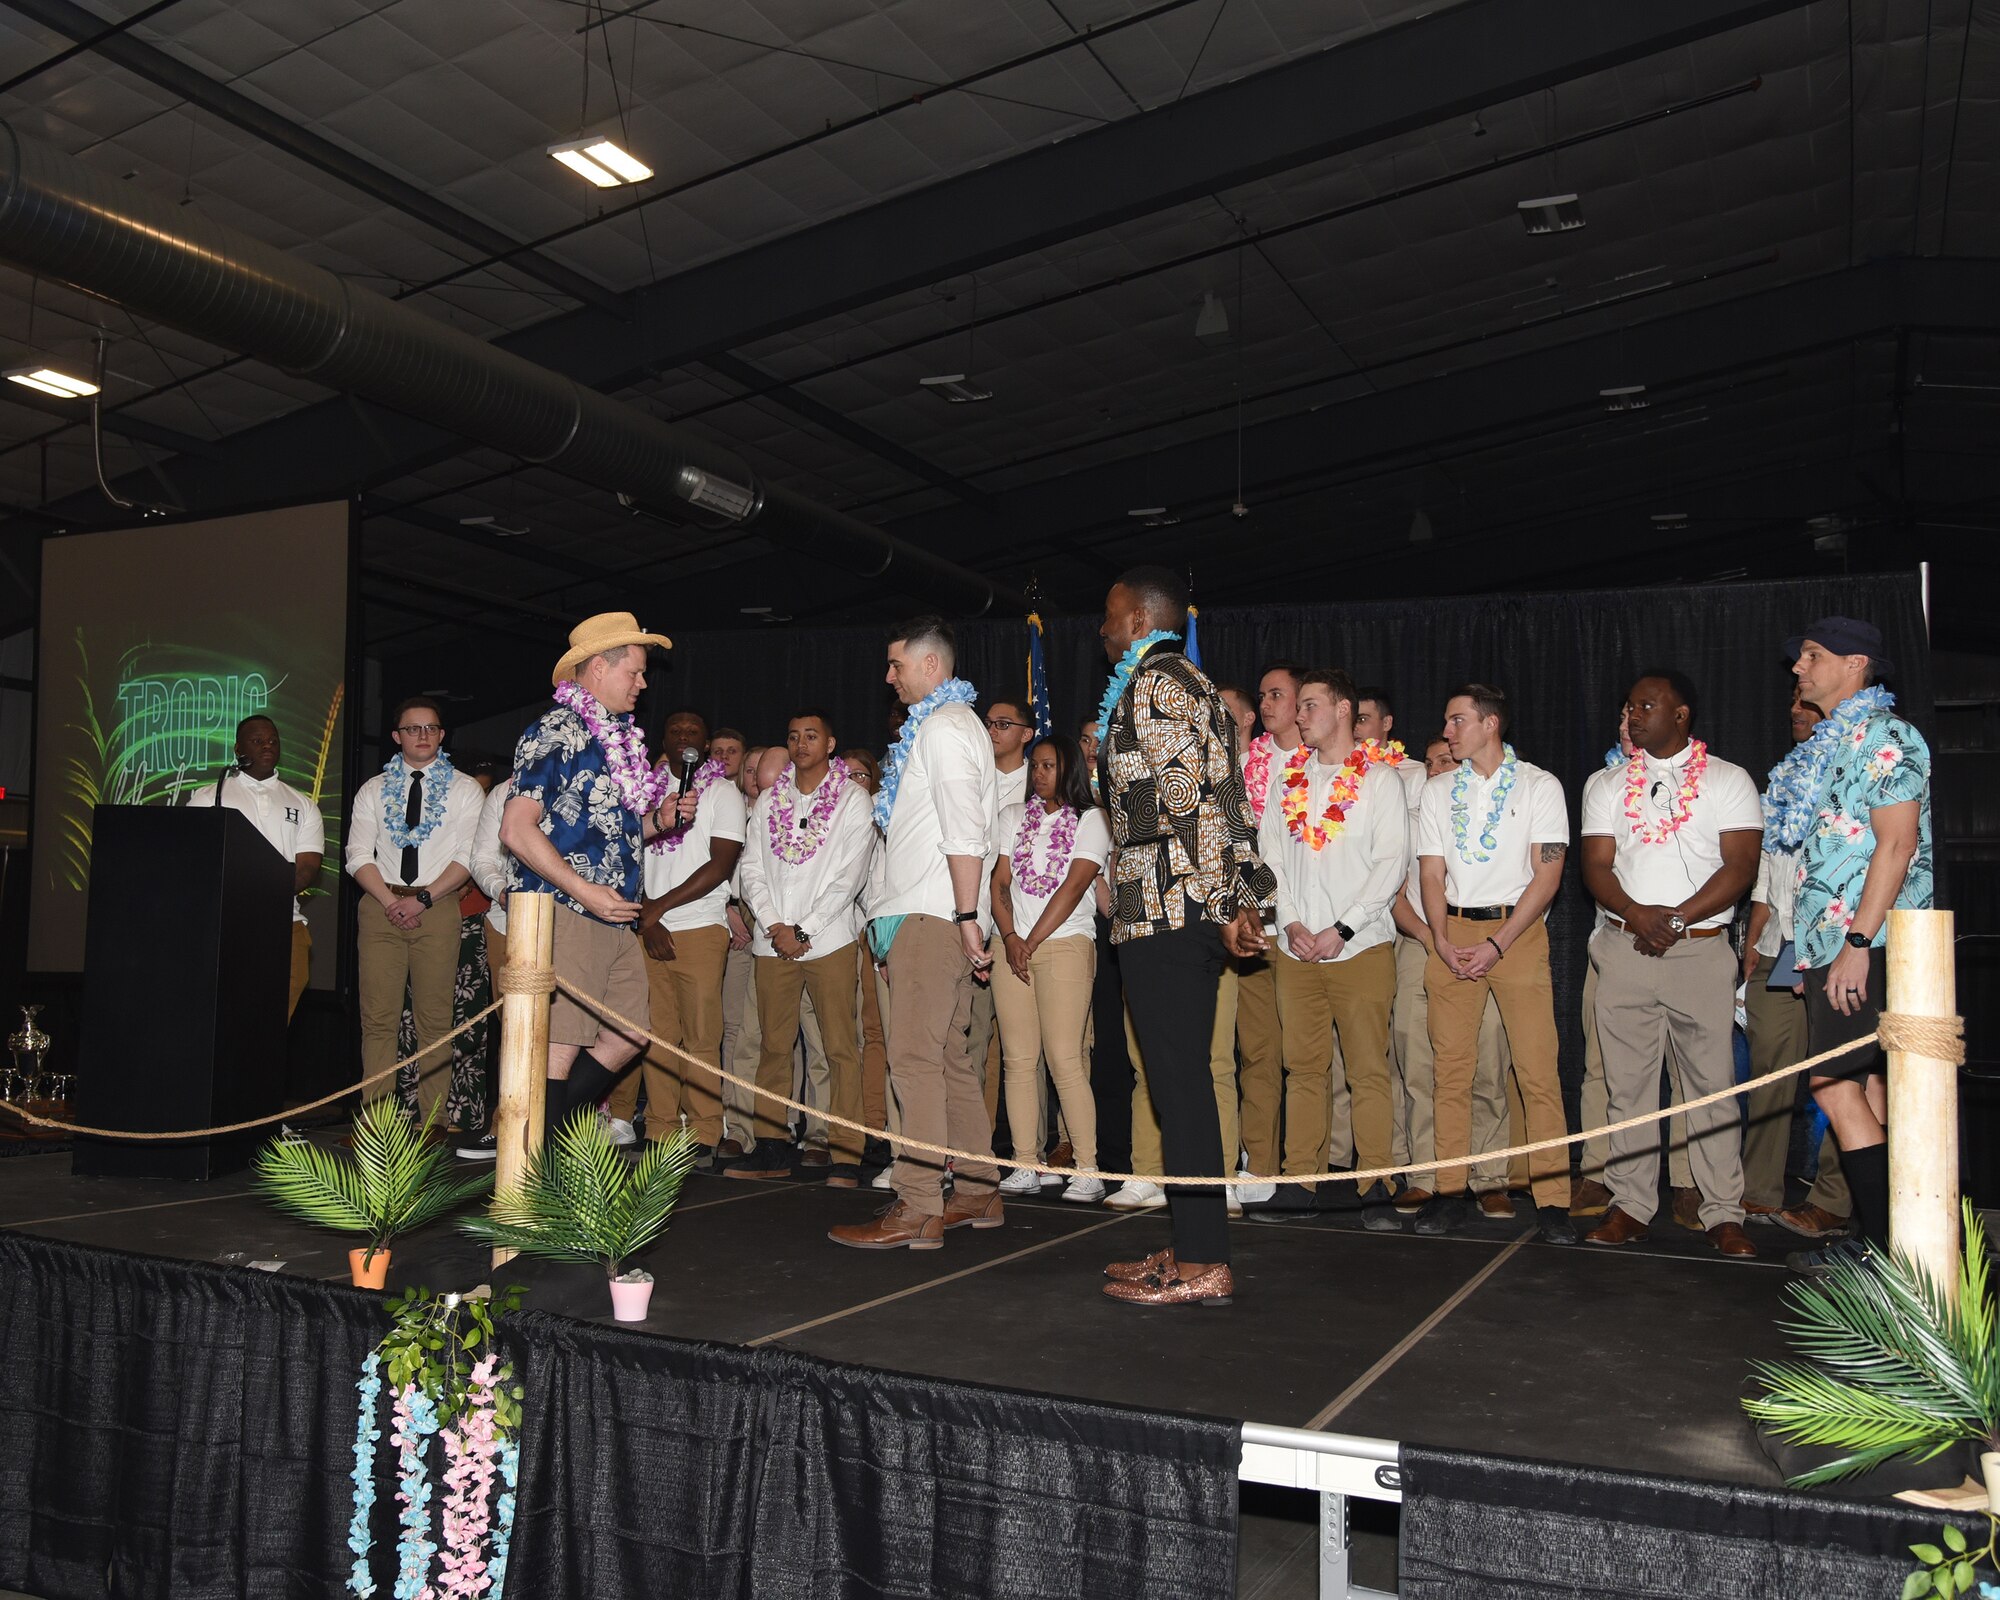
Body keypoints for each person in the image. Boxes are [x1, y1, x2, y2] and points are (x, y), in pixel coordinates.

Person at [1096, 566, 1274, 1308]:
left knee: (1181, 1086)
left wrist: (1230, 900)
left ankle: (1205, 1262)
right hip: (1174, 902)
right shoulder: (1183, 681)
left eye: (1109, 616)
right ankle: (1194, 1238)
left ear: (1140, 619)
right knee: (1179, 1086)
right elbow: (1220, 797)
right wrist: (1237, 896)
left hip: (1169, 906)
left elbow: (1194, 804)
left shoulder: (1156, 684)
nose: (1101, 630)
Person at [830, 616, 1000, 1249]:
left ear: (932, 667)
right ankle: (979, 1191)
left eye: (896, 665)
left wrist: (963, 918)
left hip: (935, 913)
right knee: (949, 1059)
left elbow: (965, 829)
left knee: (913, 1060)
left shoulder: (948, 727)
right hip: (922, 913)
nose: (888, 676)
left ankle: (918, 1204)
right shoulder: (936, 728)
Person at [1579, 671, 1762, 1258]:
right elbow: (1597, 866)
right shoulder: (1605, 784)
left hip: (1700, 951)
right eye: (1629, 705)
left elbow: (1739, 868)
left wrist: (1676, 919)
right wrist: (1637, 914)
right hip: (1624, 947)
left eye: (1646, 705)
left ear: (1681, 716)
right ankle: (1630, 1205)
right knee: (1627, 1086)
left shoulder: (1728, 779)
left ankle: (1723, 1213)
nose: (1633, 714)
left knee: (1711, 1087)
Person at [1776, 617, 1933, 1273]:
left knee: (1832, 1083)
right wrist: (1803, 951)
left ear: (1856, 663)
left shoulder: (1889, 737)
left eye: (1812, 655)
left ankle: (1893, 1249)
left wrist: (1860, 941)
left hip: (1873, 942)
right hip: (1827, 944)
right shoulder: (1832, 745)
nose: (1798, 667)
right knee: (1864, 1090)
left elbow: (1897, 847)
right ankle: (1899, 1242)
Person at [1414, 684, 1575, 1244]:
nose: (1448, 730)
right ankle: (1449, 1191)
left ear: (1491, 724)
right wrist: (1440, 937)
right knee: (1451, 1070)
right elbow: (1431, 873)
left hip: (1518, 932)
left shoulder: (1539, 785)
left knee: (1536, 1070)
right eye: (1447, 721)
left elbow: (1547, 874)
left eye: (1457, 720)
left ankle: (1554, 1199)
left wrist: (1499, 943)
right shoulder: (1437, 792)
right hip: (1453, 929)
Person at [498, 615, 671, 1136]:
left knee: (630, 1034)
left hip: (614, 913)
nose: (642, 684)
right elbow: (515, 828)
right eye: (635, 673)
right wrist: (583, 891)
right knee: (561, 1043)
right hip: (568, 908)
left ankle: (535, 1132)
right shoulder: (556, 729)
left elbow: (597, 828)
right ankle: (533, 1176)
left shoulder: (611, 738)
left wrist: (656, 824)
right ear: (599, 667)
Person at [1253, 668, 1410, 1227]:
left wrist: (1340, 929)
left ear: (1343, 710)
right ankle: (1300, 1182)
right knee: (1304, 1069)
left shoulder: (1380, 781)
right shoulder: (1285, 782)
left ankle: (1376, 1186)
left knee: (1368, 1070)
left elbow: (1390, 865)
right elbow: (1270, 858)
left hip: (1360, 947)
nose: (1299, 716)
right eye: (1300, 707)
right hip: (1296, 950)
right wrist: (1291, 923)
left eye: (1310, 705)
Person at [735, 709, 875, 1186]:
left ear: (830, 745)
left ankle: (846, 1154)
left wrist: (805, 928)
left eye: (811, 736)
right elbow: (751, 868)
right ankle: (772, 1147)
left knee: (840, 1047)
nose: (800, 744)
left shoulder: (853, 800)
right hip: (772, 942)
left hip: (830, 940)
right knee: (773, 1047)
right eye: (793, 736)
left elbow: (850, 875)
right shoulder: (770, 799)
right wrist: (775, 925)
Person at [1386, 735, 1517, 1211]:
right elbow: (1393, 893)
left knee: (1485, 1059)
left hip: (1484, 951)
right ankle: (1426, 1172)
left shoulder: (1497, 812)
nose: (1441, 768)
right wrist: (1429, 939)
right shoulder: (1409, 821)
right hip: (1421, 946)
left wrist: (1489, 945)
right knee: (1417, 1061)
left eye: (1450, 759)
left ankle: (1489, 1176)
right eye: (1434, 762)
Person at [614, 709, 746, 1166]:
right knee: (656, 1035)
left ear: (705, 745)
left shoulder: (724, 792)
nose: (684, 736)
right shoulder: (640, 793)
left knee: (703, 1036)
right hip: (647, 926)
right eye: (676, 730)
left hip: (700, 926)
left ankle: (705, 1132)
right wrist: (647, 919)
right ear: (663, 741)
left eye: (694, 731)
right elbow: (623, 856)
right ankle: (661, 1128)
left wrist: (658, 909)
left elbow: (720, 865)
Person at [346, 695, 484, 1118]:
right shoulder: (373, 789)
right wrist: (391, 902)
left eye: (430, 728)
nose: (422, 735)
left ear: (442, 735)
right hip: (380, 905)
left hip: (438, 905)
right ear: (396, 737)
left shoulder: (464, 789)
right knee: (379, 1019)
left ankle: (435, 1120)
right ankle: (377, 1119)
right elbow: (356, 855)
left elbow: (467, 857)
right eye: (412, 728)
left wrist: (422, 900)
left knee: (435, 1019)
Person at [991, 734, 1112, 1203]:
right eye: (1035, 766)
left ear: (1070, 771)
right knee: (1018, 1060)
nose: (1040, 774)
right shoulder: (1012, 817)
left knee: (1065, 1058)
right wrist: (1010, 938)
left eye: (1050, 766)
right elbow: (1000, 882)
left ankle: (1088, 1167)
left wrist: (1032, 940)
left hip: (1064, 946)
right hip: (1014, 947)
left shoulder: (1092, 818)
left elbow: (1076, 883)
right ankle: (1025, 1163)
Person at [1749, 697, 1853, 1235]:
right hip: (1781, 946)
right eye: (1792, 703)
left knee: (1840, 1077)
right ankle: (1758, 1191)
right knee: (1769, 1070)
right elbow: (1770, 869)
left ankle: (1833, 1198)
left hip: (1836, 948)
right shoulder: (1784, 776)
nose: (1795, 708)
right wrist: (1751, 946)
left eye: (1809, 703)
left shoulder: (1854, 769)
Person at [186, 713, 322, 1021]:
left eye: (273, 741)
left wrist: (261, 896)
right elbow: (194, 862)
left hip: (286, 923)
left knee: (271, 1022)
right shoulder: (209, 796)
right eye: (257, 740)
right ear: (238, 749)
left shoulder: (303, 804)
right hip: (225, 922)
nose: (267, 746)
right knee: (225, 1013)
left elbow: (307, 867)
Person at [1231, 660, 1306, 1203]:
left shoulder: (1329, 766)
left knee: (1308, 1059)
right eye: (1264, 695)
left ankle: (1308, 1167)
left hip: (1311, 931)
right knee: (1258, 1052)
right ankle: (1259, 1165)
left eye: (1277, 693)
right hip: (1257, 925)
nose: (1269, 703)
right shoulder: (1241, 765)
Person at [459, 770, 514, 1159]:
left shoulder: (591, 782)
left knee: (570, 1030)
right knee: (513, 1028)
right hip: (507, 921)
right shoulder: (503, 792)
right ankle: (506, 1128)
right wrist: (500, 890)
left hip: (576, 923)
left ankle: (563, 1129)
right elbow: (482, 858)